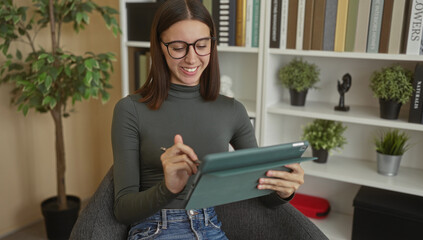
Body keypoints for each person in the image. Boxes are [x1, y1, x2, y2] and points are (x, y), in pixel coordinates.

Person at [111, 0, 306, 239]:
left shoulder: (232, 111)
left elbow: (262, 194)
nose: (192, 59)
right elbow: (122, 210)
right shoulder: (130, 110)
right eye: (178, 47)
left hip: (210, 227)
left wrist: (284, 190)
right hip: (156, 228)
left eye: (202, 45)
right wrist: (167, 188)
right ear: (160, 46)